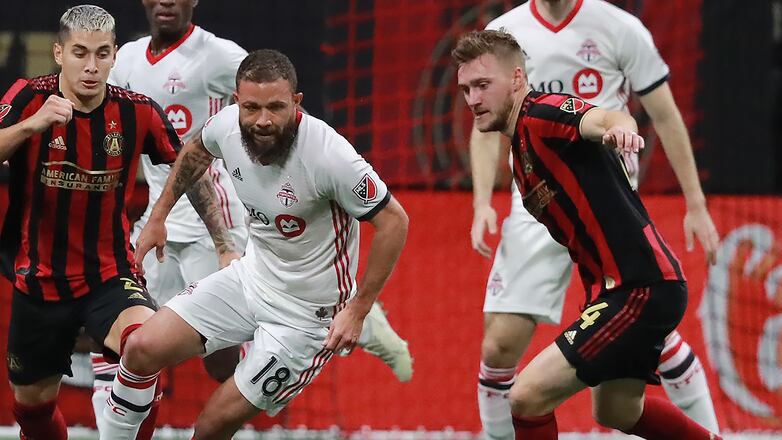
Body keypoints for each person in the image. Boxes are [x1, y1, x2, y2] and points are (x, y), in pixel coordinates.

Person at [100, 49, 410, 439]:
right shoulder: (227, 125)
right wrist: (158, 216)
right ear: (236, 102)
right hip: (249, 279)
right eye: (251, 108)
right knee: (141, 348)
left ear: (296, 101)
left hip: (306, 319)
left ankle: (369, 326)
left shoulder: (330, 156)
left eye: (276, 107)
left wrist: (358, 309)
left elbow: (394, 221)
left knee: (211, 425)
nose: (263, 120)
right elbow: (195, 149)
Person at [469, 1, 720, 438]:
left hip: (637, 279)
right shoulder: (522, 156)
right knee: (616, 411)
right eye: (466, 89)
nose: (472, 100)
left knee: (526, 396)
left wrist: (619, 128)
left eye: (481, 87)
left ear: (517, 78)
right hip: (609, 277)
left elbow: (604, 116)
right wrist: (481, 203)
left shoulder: (544, 111)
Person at [0, 5, 232, 440]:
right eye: (80, 53)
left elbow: (190, 168)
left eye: (102, 54)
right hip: (39, 279)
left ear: (114, 55)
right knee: (31, 408)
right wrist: (32, 126)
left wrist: (219, 241)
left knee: (146, 346)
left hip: (109, 275)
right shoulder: (29, 97)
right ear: (59, 53)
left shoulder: (136, 111)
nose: (91, 66)